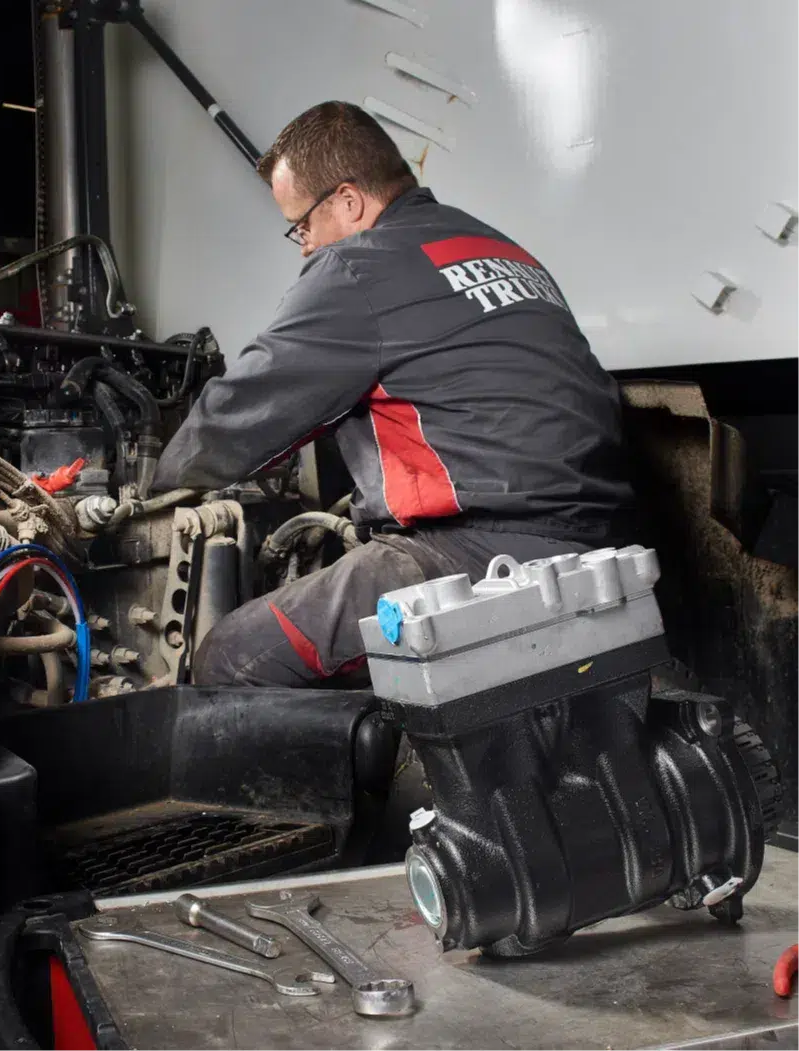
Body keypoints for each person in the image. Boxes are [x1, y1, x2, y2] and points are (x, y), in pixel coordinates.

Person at [152, 101, 633, 688]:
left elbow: (241, 417)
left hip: (475, 555)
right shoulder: (503, 248)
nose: (304, 245)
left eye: (301, 225)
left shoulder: (357, 268)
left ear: (348, 201)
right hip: (597, 540)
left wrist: (155, 481)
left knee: (230, 659)